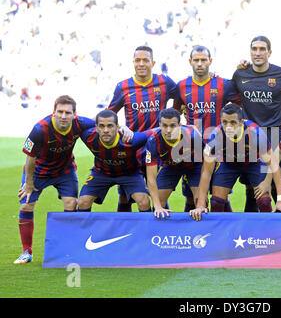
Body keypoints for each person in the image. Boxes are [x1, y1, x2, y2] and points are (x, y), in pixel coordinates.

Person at [14, 95, 96, 264]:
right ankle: (26, 252)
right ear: (53, 112)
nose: (64, 116)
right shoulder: (40, 129)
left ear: (75, 114)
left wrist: (122, 127)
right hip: (38, 172)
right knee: (26, 204)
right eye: (60, 112)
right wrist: (29, 184)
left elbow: (102, 122)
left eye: (68, 112)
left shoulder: (80, 123)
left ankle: (69, 249)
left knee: (71, 204)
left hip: (64, 171)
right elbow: (30, 157)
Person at [189, 103, 281, 221]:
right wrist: (201, 204)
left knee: (264, 200)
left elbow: (274, 166)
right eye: (224, 122)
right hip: (228, 164)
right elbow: (206, 172)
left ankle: (267, 234)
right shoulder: (214, 137)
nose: (228, 127)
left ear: (241, 122)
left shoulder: (256, 134)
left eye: (233, 123)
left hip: (254, 163)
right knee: (216, 202)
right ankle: (221, 233)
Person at [232, 35, 281, 211]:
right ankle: (252, 233)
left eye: (262, 49)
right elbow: (230, 97)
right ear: (250, 51)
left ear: (269, 52)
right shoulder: (240, 74)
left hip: (274, 135)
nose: (258, 52)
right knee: (251, 187)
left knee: (277, 185)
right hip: (248, 137)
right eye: (254, 49)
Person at [107, 45, 177, 212]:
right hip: (133, 147)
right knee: (125, 194)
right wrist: (120, 126)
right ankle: (127, 235)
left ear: (153, 63)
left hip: (159, 147)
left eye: (145, 60)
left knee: (159, 195)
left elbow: (181, 96)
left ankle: (159, 234)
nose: (141, 64)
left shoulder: (164, 82)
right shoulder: (123, 87)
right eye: (138, 60)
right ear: (133, 62)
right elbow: (109, 114)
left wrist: (174, 115)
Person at [173, 45, 240, 212]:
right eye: (196, 60)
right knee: (192, 196)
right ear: (190, 62)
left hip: (219, 147)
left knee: (221, 196)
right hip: (192, 149)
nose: (200, 63)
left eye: (204, 60)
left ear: (210, 61)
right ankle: (189, 234)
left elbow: (242, 105)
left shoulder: (223, 84)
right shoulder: (182, 86)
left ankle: (227, 235)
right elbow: (175, 113)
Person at [77, 110, 151, 213]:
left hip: (130, 174)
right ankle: (83, 229)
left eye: (110, 126)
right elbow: (74, 120)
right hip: (101, 173)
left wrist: (179, 129)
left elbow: (154, 132)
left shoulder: (130, 139)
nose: (106, 130)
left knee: (144, 202)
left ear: (117, 127)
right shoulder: (88, 136)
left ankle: (147, 229)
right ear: (96, 128)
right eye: (102, 126)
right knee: (82, 202)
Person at [145, 108, 203, 219]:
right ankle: (160, 233)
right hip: (170, 167)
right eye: (164, 126)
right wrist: (157, 207)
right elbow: (151, 178)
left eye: (172, 126)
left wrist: (201, 202)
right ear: (159, 125)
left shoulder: (193, 137)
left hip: (194, 167)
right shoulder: (152, 141)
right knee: (158, 201)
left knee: (200, 201)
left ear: (180, 125)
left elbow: (206, 167)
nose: (168, 130)